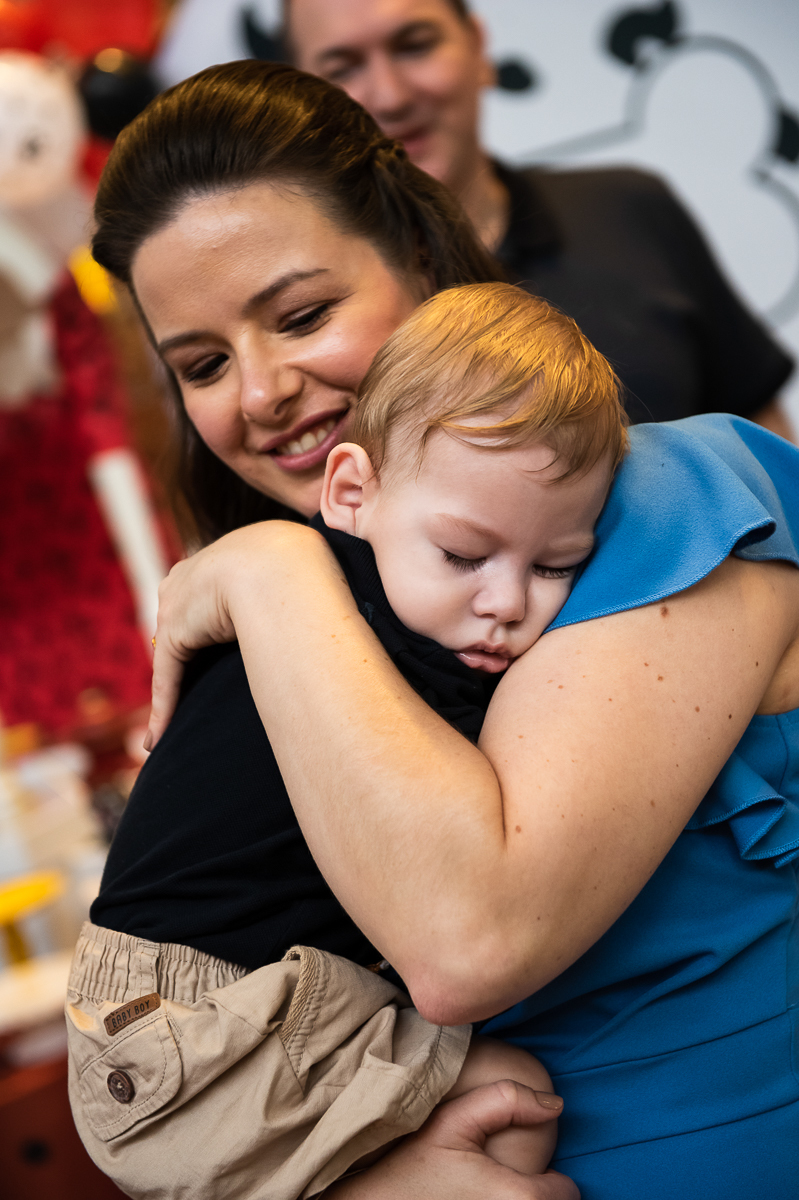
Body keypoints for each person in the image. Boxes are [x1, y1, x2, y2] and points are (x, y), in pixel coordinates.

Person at [85, 60, 799, 1200]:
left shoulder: (675, 492)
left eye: (303, 315)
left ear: (420, 261)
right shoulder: (348, 614)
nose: (261, 392)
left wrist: (270, 573)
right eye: (205, 365)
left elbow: (472, 941)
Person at [66, 282, 627, 1198]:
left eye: (557, 566)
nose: (505, 602)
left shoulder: (334, 594)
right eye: (462, 555)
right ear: (352, 493)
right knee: (516, 1100)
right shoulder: (359, 627)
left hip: (165, 1024)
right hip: (189, 1026)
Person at [283, 0, 797, 434]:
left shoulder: (630, 207)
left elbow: (764, 438)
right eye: (342, 69)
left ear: (478, 49)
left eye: (415, 45)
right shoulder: (309, 308)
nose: (391, 96)